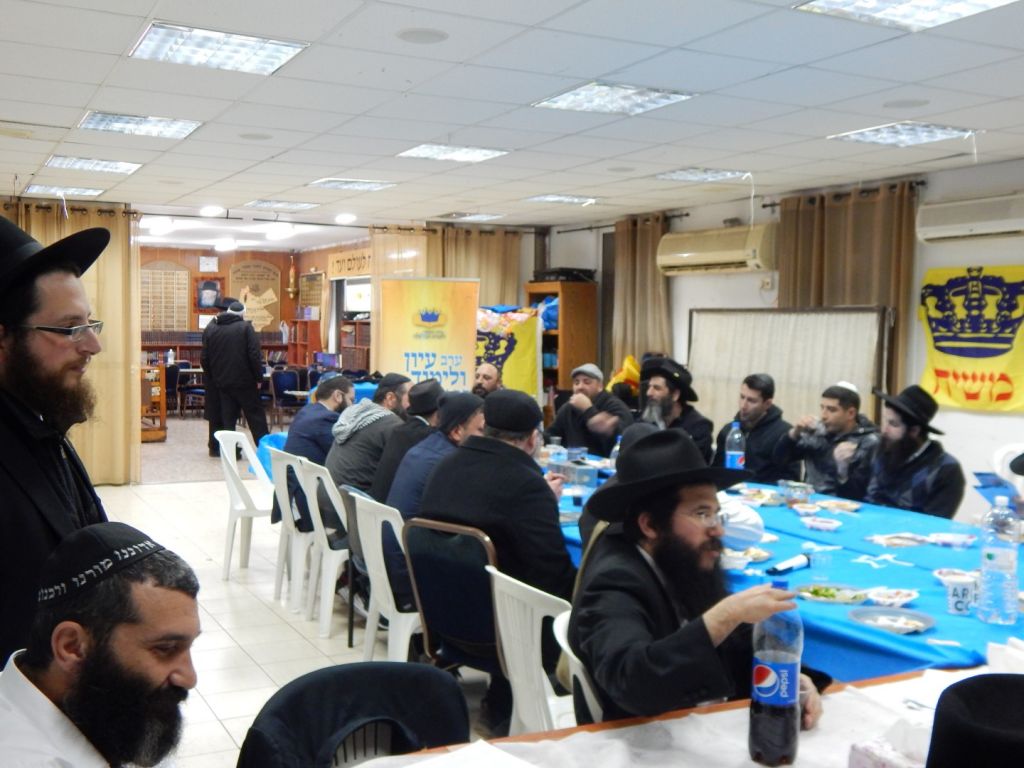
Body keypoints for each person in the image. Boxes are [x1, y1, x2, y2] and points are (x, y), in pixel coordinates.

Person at [569, 429, 825, 725]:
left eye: (717, 514)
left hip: (697, 723)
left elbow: (734, 648)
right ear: (650, 525)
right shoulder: (615, 580)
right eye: (702, 514)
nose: (718, 530)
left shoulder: (680, 561)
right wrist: (725, 615)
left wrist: (794, 677)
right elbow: (632, 681)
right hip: (641, 738)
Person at [420, 389, 576, 734]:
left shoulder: (446, 465)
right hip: (501, 631)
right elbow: (553, 575)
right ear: (533, 438)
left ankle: (501, 697)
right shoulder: (525, 484)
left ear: (485, 426)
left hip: (441, 617)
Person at [0, 216, 110, 666]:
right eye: (69, 329)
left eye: (90, 324)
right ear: (3, 338)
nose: (92, 346)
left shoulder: (35, 420)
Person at [0, 522, 200, 766]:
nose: (190, 678)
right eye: (165, 649)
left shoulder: (114, 710)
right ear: (72, 646)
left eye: (189, 646)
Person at [865, 385, 965, 518]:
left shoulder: (946, 470)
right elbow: (855, 499)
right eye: (884, 421)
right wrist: (844, 470)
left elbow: (935, 524)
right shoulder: (882, 448)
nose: (884, 430)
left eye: (893, 424)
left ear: (914, 431)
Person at [273, 373, 354, 531]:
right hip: (305, 501)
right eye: (351, 399)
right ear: (338, 396)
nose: (352, 405)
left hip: (290, 493)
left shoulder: (308, 410)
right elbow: (343, 457)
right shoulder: (327, 418)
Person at [387, 392, 485, 520]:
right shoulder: (450, 463)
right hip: (411, 532)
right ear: (457, 432)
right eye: (481, 430)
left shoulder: (424, 447)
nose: (488, 436)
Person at [773, 382, 879, 500]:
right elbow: (779, 460)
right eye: (822, 408)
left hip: (842, 505)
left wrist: (843, 470)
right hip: (808, 502)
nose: (823, 415)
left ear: (851, 413)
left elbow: (864, 493)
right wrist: (794, 434)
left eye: (831, 410)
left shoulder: (868, 442)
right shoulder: (817, 432)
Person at [200, 300, 269, 456]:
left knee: (228, 419)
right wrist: (259, 378)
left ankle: (230, 452)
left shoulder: (212, 328)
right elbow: (254, 355)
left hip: (222, 383)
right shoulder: (246, 328)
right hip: (245, 383)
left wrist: (214, 376)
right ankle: (266, 451)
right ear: (242, 314)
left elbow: (204, 358)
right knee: (256, 417)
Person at [325, 372, 410, 493]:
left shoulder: (355, 412)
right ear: (390, 398)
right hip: (354, 500)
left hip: (328, 495)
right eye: (411, 397)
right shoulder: (393, 425)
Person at [712, 373, 799, 483]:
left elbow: (790, 480)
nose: (743, 405)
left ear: (767, 404)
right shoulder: (728, 431)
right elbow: (716, 471)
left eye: (751, 401)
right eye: (742, 397)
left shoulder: (784, 435)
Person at [369, 378, 443, 502]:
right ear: (438, 412)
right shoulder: (430, 438)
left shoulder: (399, 430)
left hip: (379, 506)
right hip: (395, 510)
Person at [545, 363, 633, 457]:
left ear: (600, 386)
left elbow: (624, 441)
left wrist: (588, 410)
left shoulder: (614, 405)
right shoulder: (568, 408)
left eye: (587, 382)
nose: (580, 387)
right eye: (576, 383)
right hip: (572, 463)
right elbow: (551, 435)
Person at [640, 356, 713, 463]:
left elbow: (691, 466)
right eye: (649, 387)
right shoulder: (645, 423)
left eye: (657, 388)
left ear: (675, 395)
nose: (649, 393)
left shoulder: (698, 428)